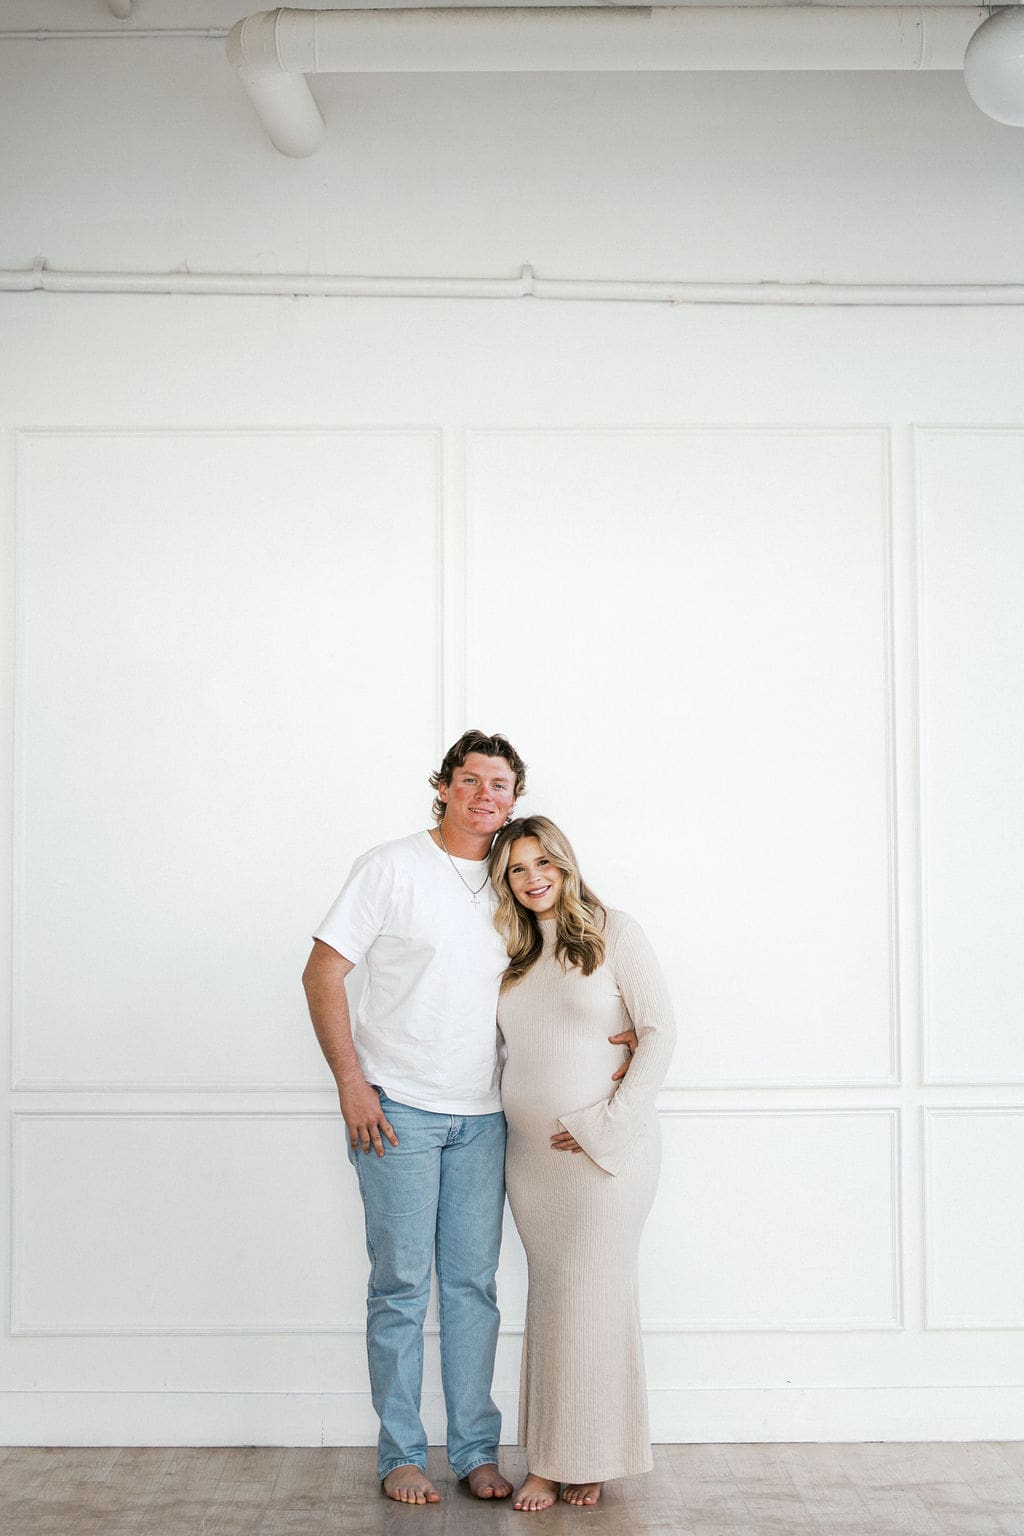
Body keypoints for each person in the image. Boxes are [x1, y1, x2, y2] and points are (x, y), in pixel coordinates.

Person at [301, 732, 635, 1506]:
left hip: (488, 1118)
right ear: (445, 786)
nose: (486, 795)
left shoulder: (516, 878)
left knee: (472, 1289)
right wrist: (351, 1084)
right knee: (400, 1287)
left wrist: (621, 1044)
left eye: (501, 785)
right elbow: (322, 972)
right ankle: (400, 1456)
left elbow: (572, 974)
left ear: (515, 798)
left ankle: (476, 1452)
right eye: (471, 780)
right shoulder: (390, 867)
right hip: (396, 1112)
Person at [489, 814, 676, 1513]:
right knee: (555, 1302)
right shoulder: (512, 955)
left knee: (591, 1300)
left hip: (606, 1160)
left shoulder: (614, 932)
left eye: (544, 863)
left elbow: (660, 1032)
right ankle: (558, 1453)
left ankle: (575, 1460)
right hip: (532, 1163)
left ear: (566, 865)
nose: (532, 878)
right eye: (517, 869)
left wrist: (604, 1126)